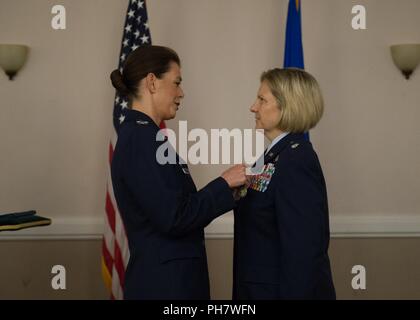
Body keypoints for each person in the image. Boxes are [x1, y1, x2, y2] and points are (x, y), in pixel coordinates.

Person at [110, 45, 246, 300]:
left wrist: (229, 191)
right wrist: (223, 183)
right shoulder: (142, 139)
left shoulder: (146, 136)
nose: (181, 93)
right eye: (177, 82)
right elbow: (174, 217)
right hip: (164, 287)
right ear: (152, 82)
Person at [232, 68, 336, 300]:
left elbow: (303, 252)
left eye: (261, 99)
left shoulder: (296, 160)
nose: (253, 107)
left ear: (287, 106)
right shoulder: (274, 156)